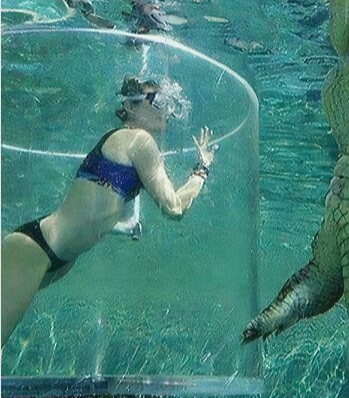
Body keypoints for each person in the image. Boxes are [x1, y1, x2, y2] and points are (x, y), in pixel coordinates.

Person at [1, 74, 216, 347]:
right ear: (130, 106)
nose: (164, 107)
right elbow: (173, 208)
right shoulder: (138, 140)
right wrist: (201, 171)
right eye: (156, 100)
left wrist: (200, 171)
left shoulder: (135, 145)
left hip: (53, 257)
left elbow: (167, 204)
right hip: (35, 250)